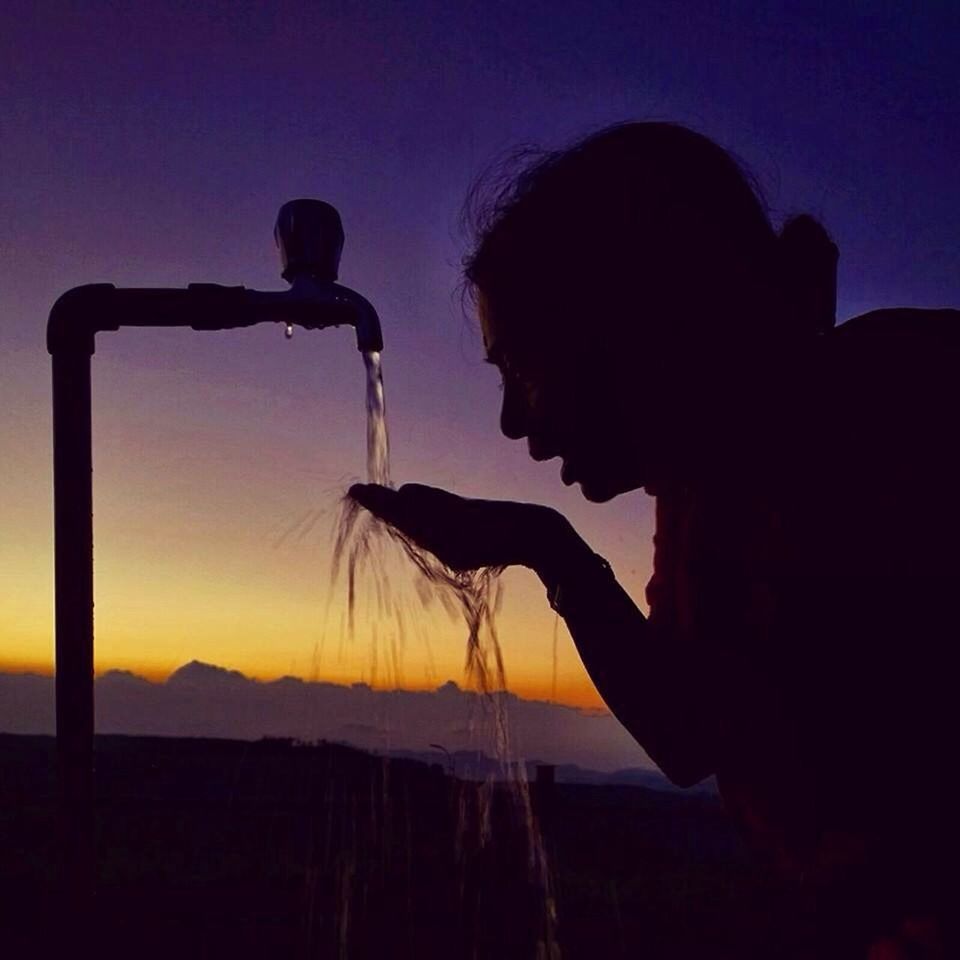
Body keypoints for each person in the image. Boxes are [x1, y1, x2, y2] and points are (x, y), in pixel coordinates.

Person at [350, 122, 958, 958]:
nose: (511, 423)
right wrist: (545, 545)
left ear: (629, 325)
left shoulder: (901, 417)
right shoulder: (711, 484)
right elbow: (692, 728)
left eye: (521, 370)